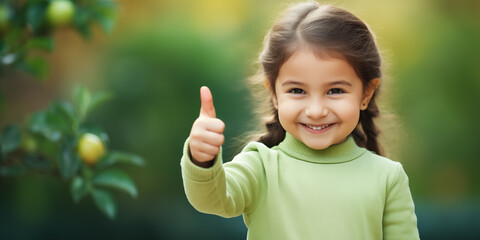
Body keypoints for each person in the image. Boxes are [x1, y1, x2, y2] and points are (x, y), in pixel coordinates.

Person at [180, 1, 419, 239]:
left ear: (366, 94)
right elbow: (212, 199)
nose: (316, 111)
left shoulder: (387, 177)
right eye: (297, 91)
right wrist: (201, 159)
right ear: (274, 94)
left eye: (335, 90)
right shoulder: (260, 168)